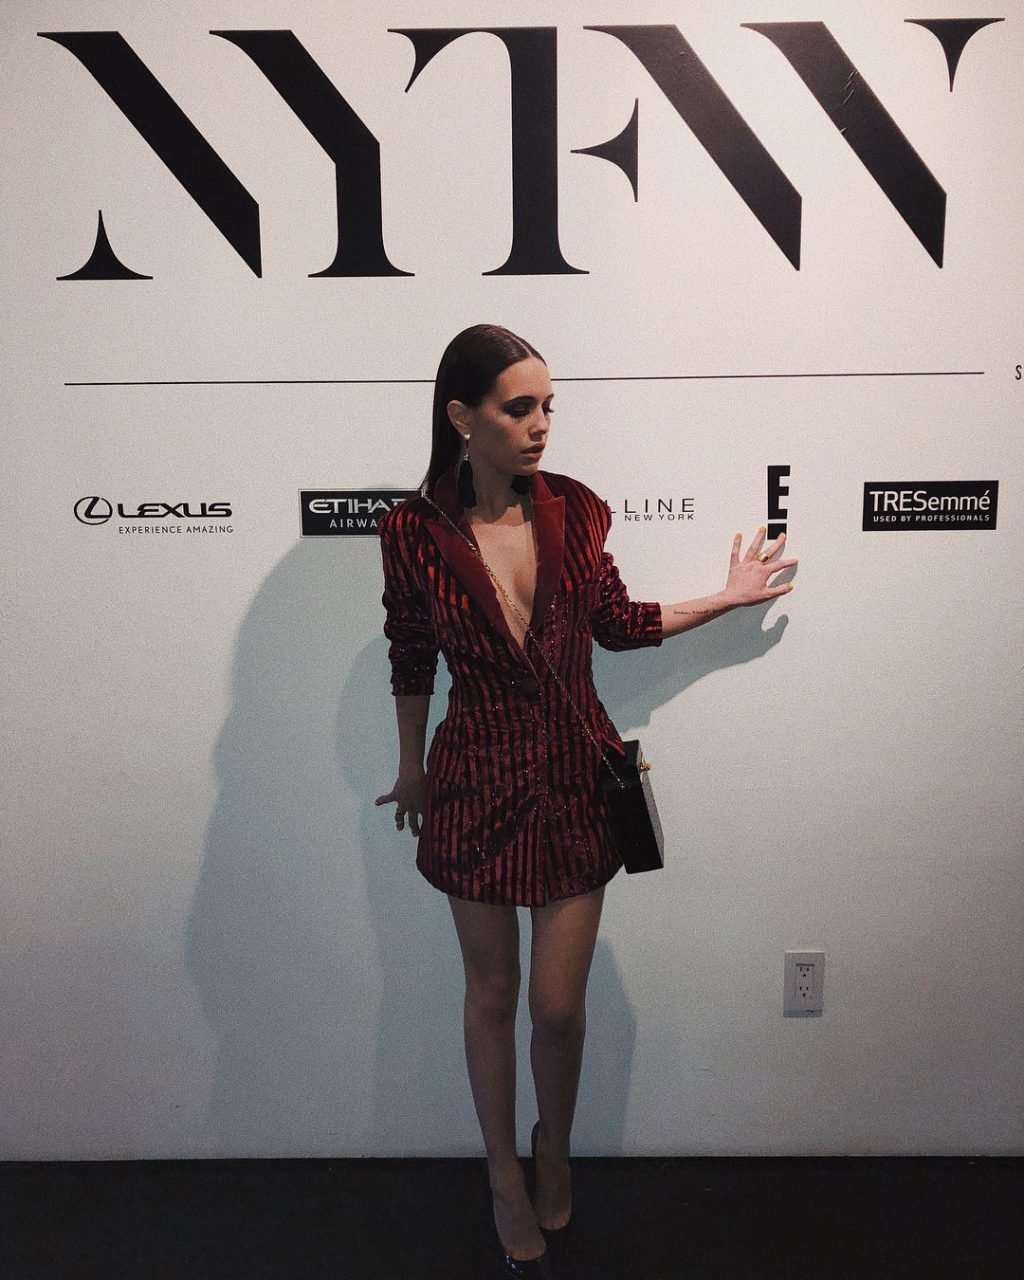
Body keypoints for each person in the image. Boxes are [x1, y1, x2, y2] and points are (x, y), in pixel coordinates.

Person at [375, 324, 796, 1277]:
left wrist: (726, 598)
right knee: (492, 995)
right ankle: (503, 1178)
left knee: (557, 1009)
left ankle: (553, 1149)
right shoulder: (412, 531)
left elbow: (616, 622)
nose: (540, 426)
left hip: (573, 779)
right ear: (462, 417)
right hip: (475, 779)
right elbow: (411, 651)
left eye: (548, 407)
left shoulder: (580, 510)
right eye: (519, 408)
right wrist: (411, 767)